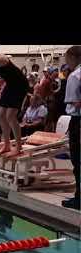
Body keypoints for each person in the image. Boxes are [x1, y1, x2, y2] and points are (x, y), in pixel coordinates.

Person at [62, 46, 81, 210]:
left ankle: (79, 199)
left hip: (78, 120)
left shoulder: (75, 76)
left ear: (73, 58)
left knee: (78, 160)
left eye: (66, 58)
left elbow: (74, 101)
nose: (65, 62)